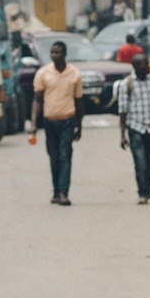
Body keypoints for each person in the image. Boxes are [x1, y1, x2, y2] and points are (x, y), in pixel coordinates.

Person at [31, 39, 84, 205]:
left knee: (65, 156)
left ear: (65, 54)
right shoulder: (43, 74)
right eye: (52, 52)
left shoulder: (74, 74)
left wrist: (79, 126)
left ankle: (63, 192)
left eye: (58, 52)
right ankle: (55, 190)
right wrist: (33, 123)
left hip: (68, 120)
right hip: (50, 121)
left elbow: (79, 101)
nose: (54, 55)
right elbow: (37, 100)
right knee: (54, 158)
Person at [116, 54, 150, 204]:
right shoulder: (127, 84)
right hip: (135, 128)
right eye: (145, 64)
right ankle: (143, 192)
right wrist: (122, 135)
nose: (148, 66)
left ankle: (148, 183)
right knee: (140, 162)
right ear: (136, 66)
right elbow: (122, 110)